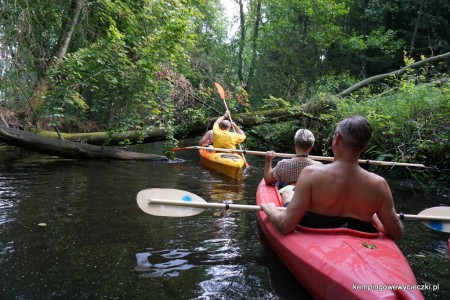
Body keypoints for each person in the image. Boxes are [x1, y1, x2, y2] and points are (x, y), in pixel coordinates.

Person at [261, 115, 403, 240]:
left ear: (336, 139)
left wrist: (271, 211)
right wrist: (375, 217)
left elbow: (286, 225)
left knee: (287, 195)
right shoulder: (379, 185)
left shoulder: (311, 174)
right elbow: (396, 233)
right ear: (365, 146)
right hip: (359, 239)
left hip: (316, 237)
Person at [264, 129, 322, 206]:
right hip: (308, 201)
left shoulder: (283, 164)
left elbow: (268, 180)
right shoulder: (319, 167)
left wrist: (268, 161)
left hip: (289, 199)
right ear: (312, 146)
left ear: (295, 145)